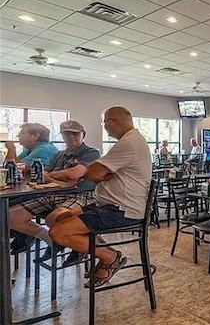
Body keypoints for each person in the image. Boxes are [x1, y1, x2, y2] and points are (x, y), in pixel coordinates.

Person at [49, 106, 152, 288]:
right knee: (61, 217)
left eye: (104, 122)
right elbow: (97, 172)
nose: (104, 126)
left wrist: (95, 171)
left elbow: (94, 173)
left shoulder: (129, 142)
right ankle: (107, 253)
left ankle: (109, 257)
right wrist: (98, 172)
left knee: (58, 232)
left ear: (112, 121)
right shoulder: (131, 141)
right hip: (107, 205)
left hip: (121, 210)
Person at [8, 121, 100, 265]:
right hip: (53, 194)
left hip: (81, 194)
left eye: (75, 133)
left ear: (83, 134)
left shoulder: (92, 153)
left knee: (56, 217)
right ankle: (51, 240)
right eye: (66, 133)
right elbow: (44, 173)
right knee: (10, 216)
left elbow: (74, 174)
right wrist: (60, 178)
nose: (71, 136)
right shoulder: (59, 154)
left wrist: (53, 176)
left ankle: (79, 247)